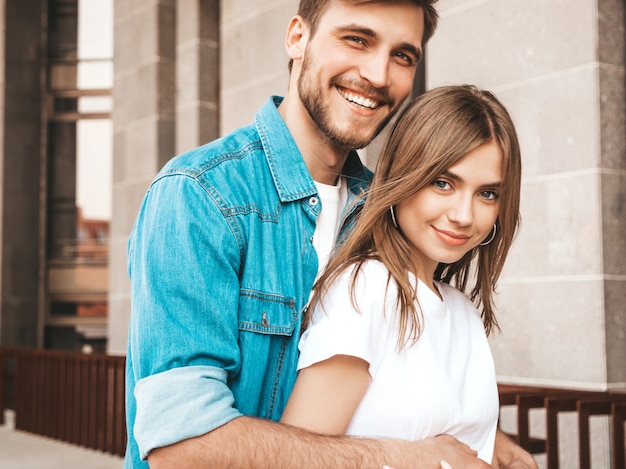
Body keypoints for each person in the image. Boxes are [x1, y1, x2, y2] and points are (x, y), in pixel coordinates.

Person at [124, 1, 538, 468]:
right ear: (298, 37)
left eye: (403, 55)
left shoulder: (388, 209)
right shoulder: (199, 195)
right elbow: (181, 449)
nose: (379, 74)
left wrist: (481, 437)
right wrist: (406, 457)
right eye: (357, 39)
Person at [280, 85, 525, 467]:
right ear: (403, 178)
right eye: (443, 183)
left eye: (487, 193)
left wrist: (501, 450)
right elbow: (299, 457)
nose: (464, 214)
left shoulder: (462, 310)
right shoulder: (367, 289)